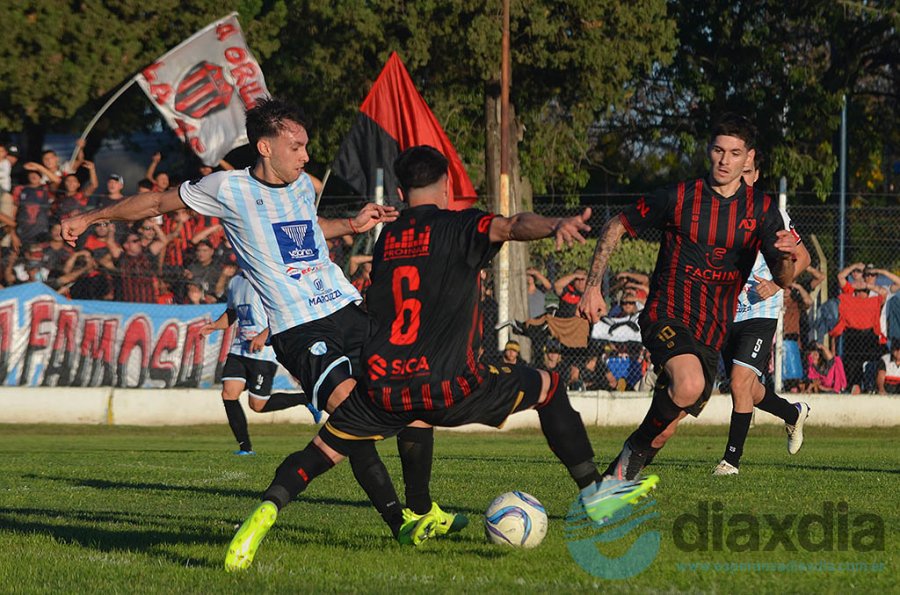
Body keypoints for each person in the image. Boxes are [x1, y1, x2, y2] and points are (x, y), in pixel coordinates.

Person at [222, 145, 658, 571]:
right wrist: (554, 224)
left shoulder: (389, 238)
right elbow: (511, 226)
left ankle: (266, 510)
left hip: (384, 388)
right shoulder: (459, 225)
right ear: (447, 186)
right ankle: (594, 493)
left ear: (398, 192)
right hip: (450, 384)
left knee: (321, 452)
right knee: (548, 387)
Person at [62, 96, 405, 562]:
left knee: (406, 392)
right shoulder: (226, 188)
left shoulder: (303, 184)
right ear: (265, 146)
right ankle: (399, 521)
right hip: (298, 325)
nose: (306, 155)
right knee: (349, 412)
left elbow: (304, 230)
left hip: (347, 307)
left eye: (307, 147)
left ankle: (420, 512)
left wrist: (349, 223)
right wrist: (90, 217)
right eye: (297, 146)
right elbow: (156, 204)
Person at [576, 113, 799, 481]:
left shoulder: (762, 210)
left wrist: (787, 256)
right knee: (690, 384)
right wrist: (592, 286)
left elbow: (782, 277)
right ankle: (627, 458)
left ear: (749, 158)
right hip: (668, 314)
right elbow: (617, 224)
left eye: (735, 152)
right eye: (718, 150)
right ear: (709, 152)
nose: (725, 160)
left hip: (712, 332)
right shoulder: (679, 197)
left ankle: (608, 491)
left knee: (665, 429)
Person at [639, 158, 813, 475]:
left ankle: (731, 461)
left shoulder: (770, 213)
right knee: (746, 387)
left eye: (747, 172)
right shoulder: (713, 208)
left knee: (739, 382)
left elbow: (803, 257)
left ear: (756, 174)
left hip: (760, 310)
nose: (739, 176)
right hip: (721, 309)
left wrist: (775, 284)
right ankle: (791, 413)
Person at [201, 269, 322, 455]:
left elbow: (285, 313)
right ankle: (245, 448)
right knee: (228, 393)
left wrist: (264, 335)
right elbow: (232, 312)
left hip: (263, 351)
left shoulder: (267, 278)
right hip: (240, 348)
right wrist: (216, 325)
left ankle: (305, 399)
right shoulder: (235, 282)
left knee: (257, 405)